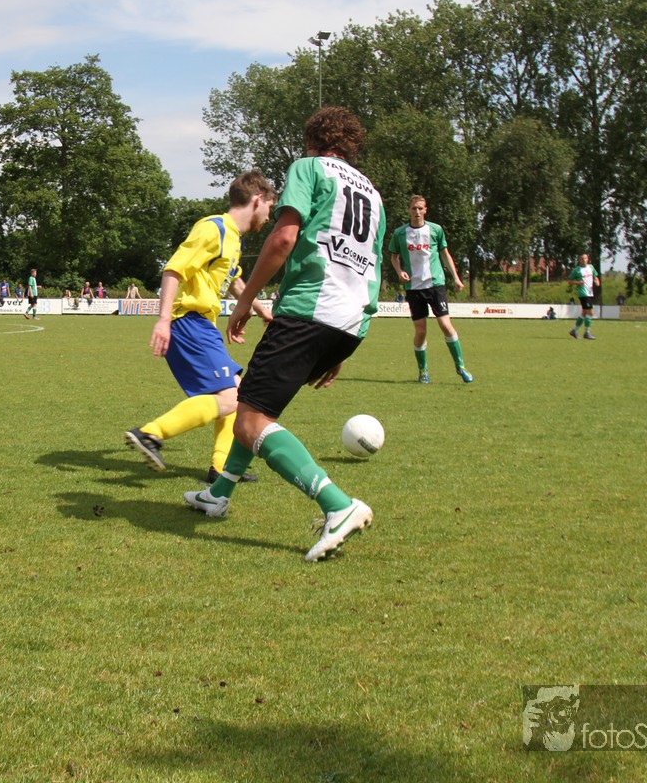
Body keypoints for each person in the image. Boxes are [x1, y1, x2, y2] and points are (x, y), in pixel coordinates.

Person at [182, 105, 385, 563]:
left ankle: (338, 505)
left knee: (251, 421)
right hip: (349, 322)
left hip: (308, 311)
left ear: (312, 140)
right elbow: (371, 271)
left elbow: (283, 239)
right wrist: (342, 347)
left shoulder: (309, 168)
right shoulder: (373, 195)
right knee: (255, 401)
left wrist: (245, 299)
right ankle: (218, 493)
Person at [124, 170, 276, 484]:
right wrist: (163, 321)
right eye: (270, 208)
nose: (268, 217)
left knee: (237, 393)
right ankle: (150, 433)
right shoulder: (213, 228)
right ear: (257, 200)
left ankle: (220, 468)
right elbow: (173, 270)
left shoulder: (233, 238)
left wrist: (259, 308)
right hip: (188, 322)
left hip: (201, 325)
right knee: (232, 397)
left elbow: (232, 279)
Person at [387, 194, 473, 384]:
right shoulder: (400, 233)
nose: (417, 212)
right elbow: (393, 256)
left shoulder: (435, 230)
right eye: (414, 208)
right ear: (409, 210)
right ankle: (423, 371)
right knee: (421, 332)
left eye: (420, 208)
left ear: (425, 210)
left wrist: (456, 278)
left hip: (435, 285)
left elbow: (445, 254)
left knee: (445, 325)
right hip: (414, 288)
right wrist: (400, 271)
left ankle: (460, 366)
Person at [567, 253, 600, 339]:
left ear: (587, 259)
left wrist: (597, 282)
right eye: (581, 259)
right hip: (583, 293)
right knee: (590, 313)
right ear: (579, 260)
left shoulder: (591, 267)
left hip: (590, 293)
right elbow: (569, 280)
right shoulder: (577, 270)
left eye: (585, 258)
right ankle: (587, 333)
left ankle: (574, 331)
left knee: (584, 313)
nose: (584, 260)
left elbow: (596, 277)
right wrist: (578, 283)